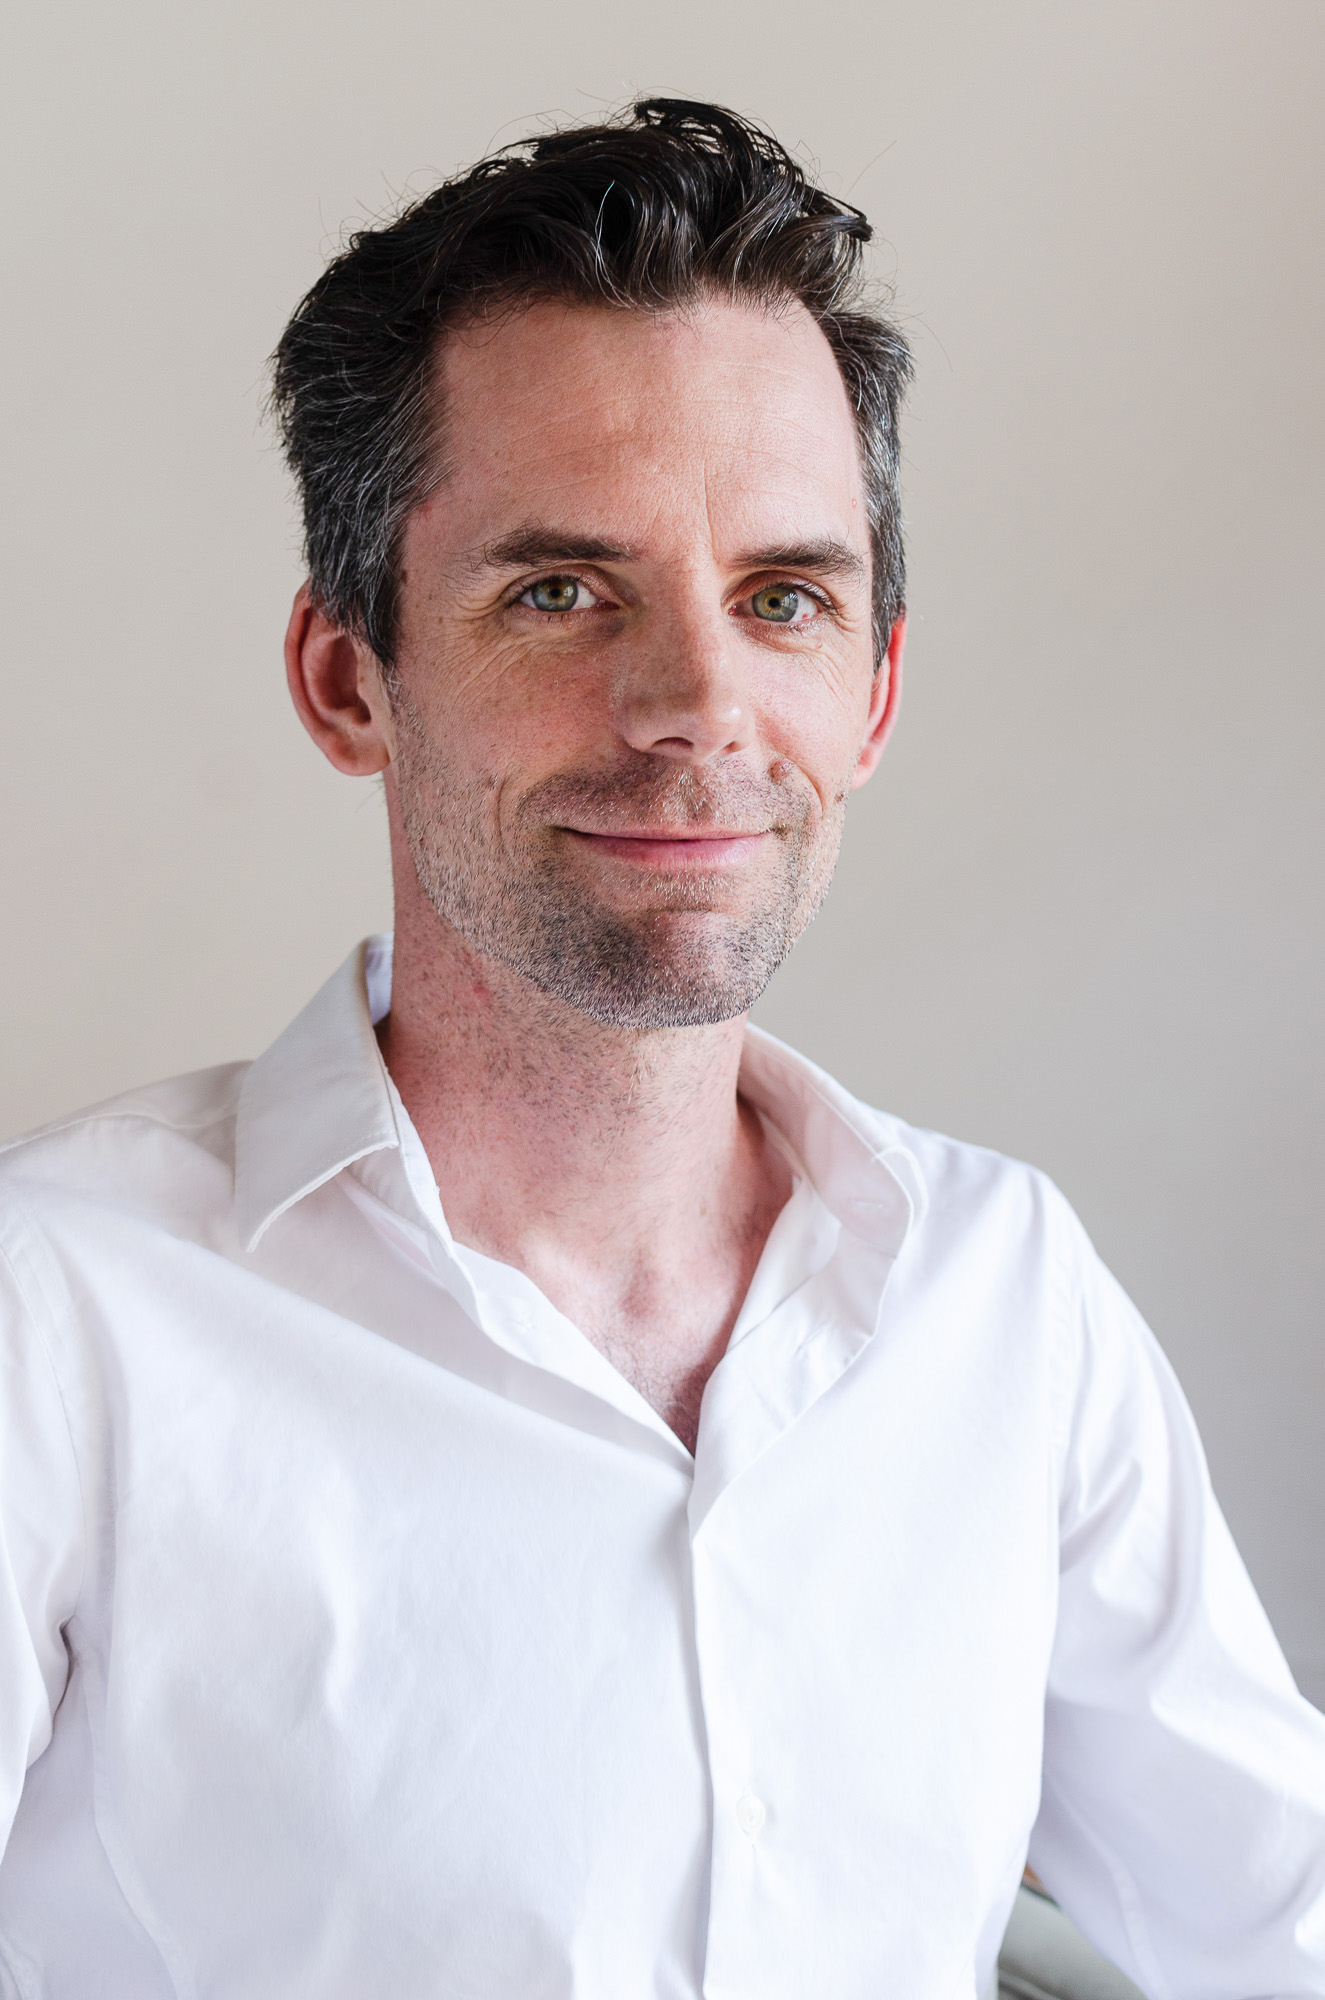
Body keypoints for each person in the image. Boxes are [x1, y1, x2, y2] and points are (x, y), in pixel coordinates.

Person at [0, 98, 1321, 2000]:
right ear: (347, 678)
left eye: (783, 599)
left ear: (871, 694)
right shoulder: (59, 1314)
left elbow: (1279, 1924)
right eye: (560, 592)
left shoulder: (1003, 1297)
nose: (700, 704)